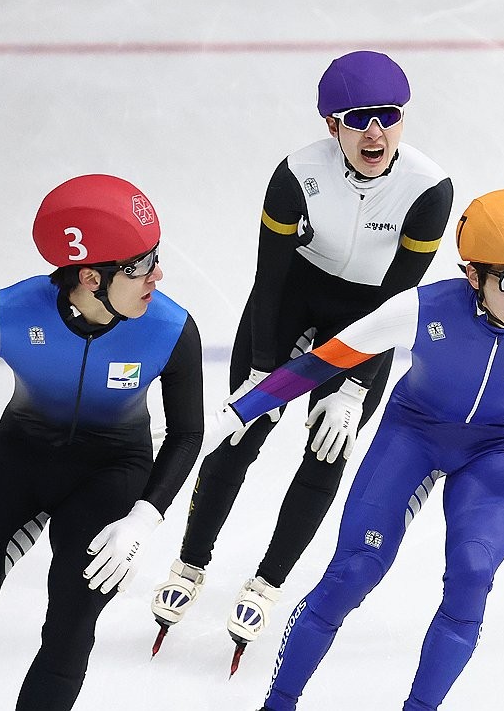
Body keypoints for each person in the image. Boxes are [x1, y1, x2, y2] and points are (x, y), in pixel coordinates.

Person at [207, 189, 504, 710]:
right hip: (412, 433)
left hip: (498, 449)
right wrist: (245, 407)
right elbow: (325, 360)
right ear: (473, 276)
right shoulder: (421, 307)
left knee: (471, 576)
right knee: (352, 571)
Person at [150, 50, 454, 656]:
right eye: (358, 118)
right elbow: (270, 277)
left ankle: (267, 584)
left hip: (365, 321)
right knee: (240, 434)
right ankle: (189, 564)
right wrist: (264, 369)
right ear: (332, 125)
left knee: (327, 448)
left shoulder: (430, 187)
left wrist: (354, 387)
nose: (375, 132)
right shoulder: (295, 174)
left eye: (388, 116)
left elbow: (399, 299)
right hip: (290, 303)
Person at [0, 174, 204, 711]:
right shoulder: (14, 312)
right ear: (92, 277)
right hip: (19, 459)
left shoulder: (171, 329)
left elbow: (188, 433)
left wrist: (145, 516)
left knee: (71, 622)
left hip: (111, 471)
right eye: (142, 265)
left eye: (155, 257)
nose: (158, 275)